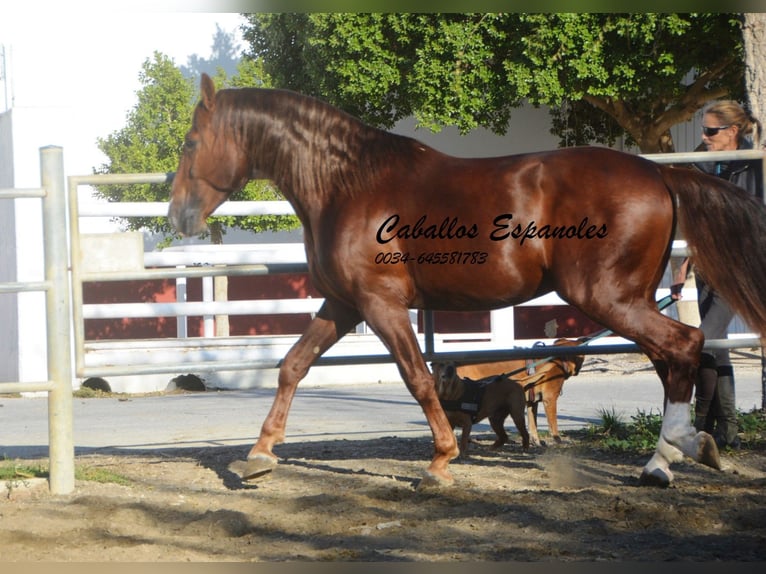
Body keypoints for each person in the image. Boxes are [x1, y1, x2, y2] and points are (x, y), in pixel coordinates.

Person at [671, 100, 764, 449]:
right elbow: (698, 223)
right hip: (708, 266)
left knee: (704, 340)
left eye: (711, 131)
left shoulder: (755, 167)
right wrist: (683, 265)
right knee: (717, 346)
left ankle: (700, 424)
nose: (704, 137)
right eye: (703, 130)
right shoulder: (705, 165)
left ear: (732, 132)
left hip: (737, 270)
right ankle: (726, 430)